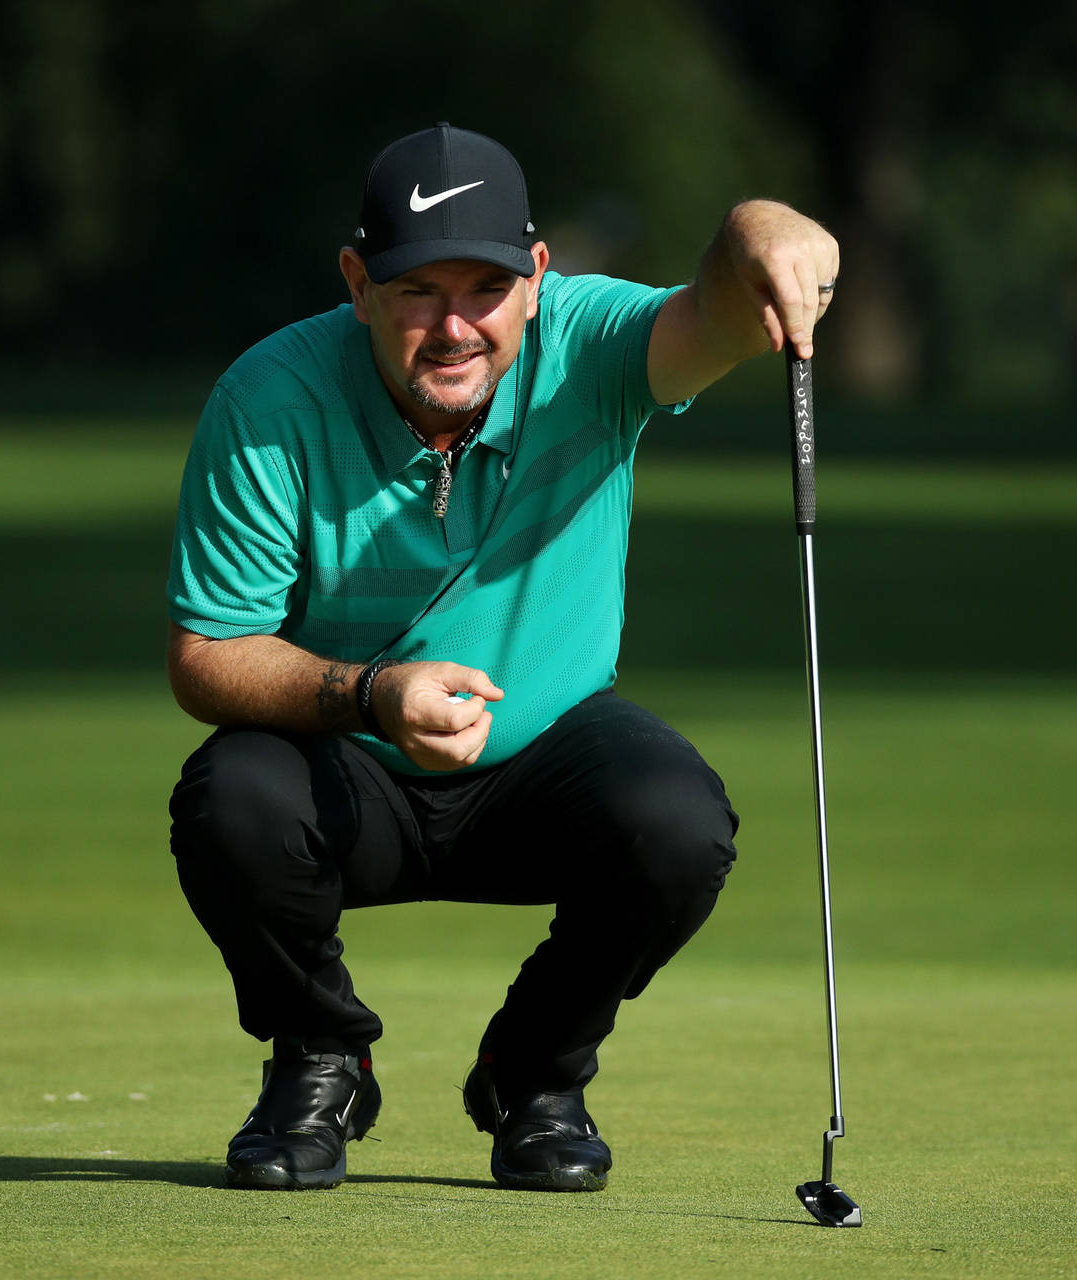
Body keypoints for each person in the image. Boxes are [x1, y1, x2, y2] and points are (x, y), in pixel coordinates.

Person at [166, 123, 837, 1193]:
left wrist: (762, 229)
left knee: (678, 819)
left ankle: (535, 1077)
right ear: (356, 280)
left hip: (546, 757)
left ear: (536, 276)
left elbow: (718, 311)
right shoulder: (269, 398)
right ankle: (322, 1060)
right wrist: (372, 693)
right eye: (417, 289)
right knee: (230, 796)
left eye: (484, 286)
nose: (454, 325)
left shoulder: (594, 343)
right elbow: (208, 654)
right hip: (350, 767)